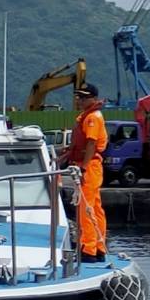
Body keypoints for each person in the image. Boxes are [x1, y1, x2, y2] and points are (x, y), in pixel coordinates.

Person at [58, 82, 108, 262]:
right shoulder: (88, 116)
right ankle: (99, 246)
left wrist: (84, 167)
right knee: (94, 207)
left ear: (93, 99)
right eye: (79, 96)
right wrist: (66, 153)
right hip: (91, 165)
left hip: (90, 166)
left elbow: (91, 143)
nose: (80, 100)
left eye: (84, 97)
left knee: (85, 207)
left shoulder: (92, 118)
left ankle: (88, 249)